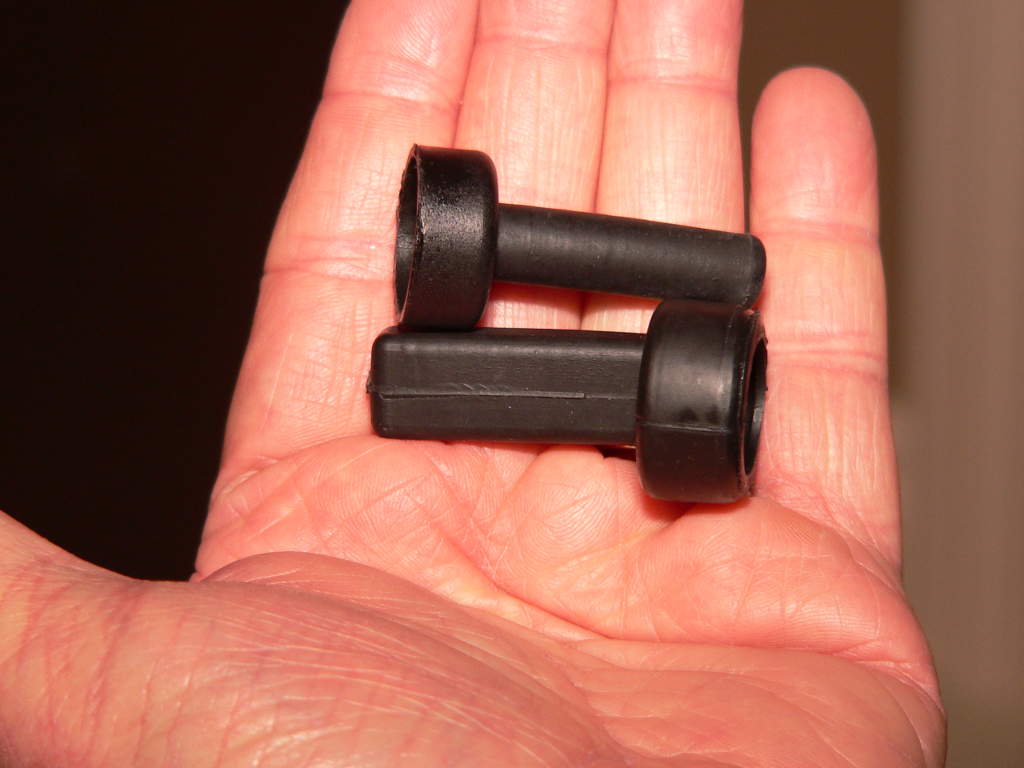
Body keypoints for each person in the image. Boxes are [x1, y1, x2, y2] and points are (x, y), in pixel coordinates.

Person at [0, 1, 946, 765]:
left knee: (715, 291)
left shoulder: (704, 329)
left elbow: (724, 302)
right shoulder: (461, 325)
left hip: (679, 389)